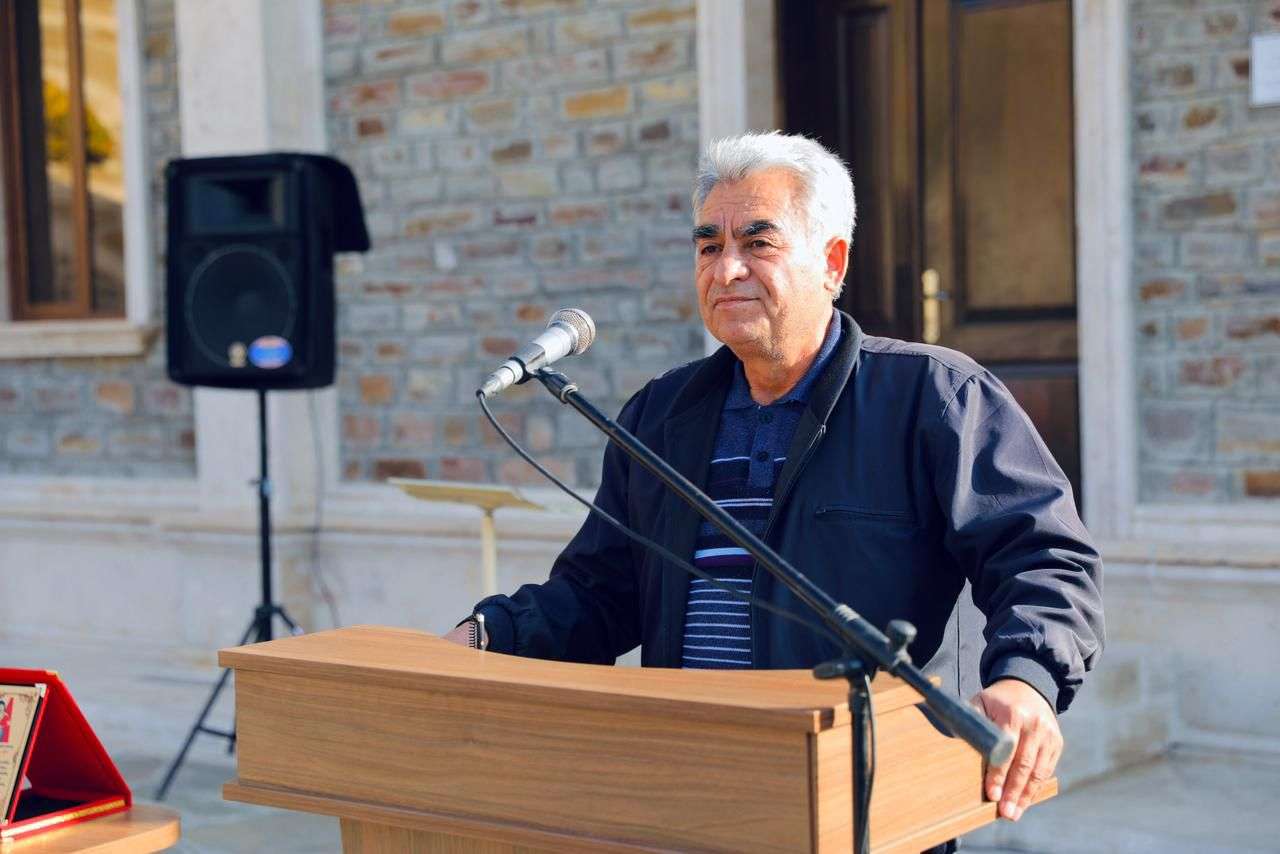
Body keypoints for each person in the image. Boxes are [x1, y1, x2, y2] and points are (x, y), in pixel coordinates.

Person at [445, 132, 1104, 831]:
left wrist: (1026, 681)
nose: (727, 269)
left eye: (757, 243)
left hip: (862, 793)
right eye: (708, 247)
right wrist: (489, 633)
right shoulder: (660, 415)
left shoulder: (934, 397)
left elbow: (1044, 559)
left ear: (832, 262)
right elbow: (601, 591)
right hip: (689, 792)